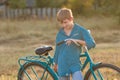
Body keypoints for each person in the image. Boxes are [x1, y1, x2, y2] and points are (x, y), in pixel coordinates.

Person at [53, 8, 96, 80]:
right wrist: (55, 63)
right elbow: (57, 50)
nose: (64, 25)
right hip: (62, 64)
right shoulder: (60, 34)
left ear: (71, 18)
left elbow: (91, 43)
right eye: (61, 23)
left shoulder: (80, 30)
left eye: (65, 22)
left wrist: (76, 40)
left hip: (74, 63)